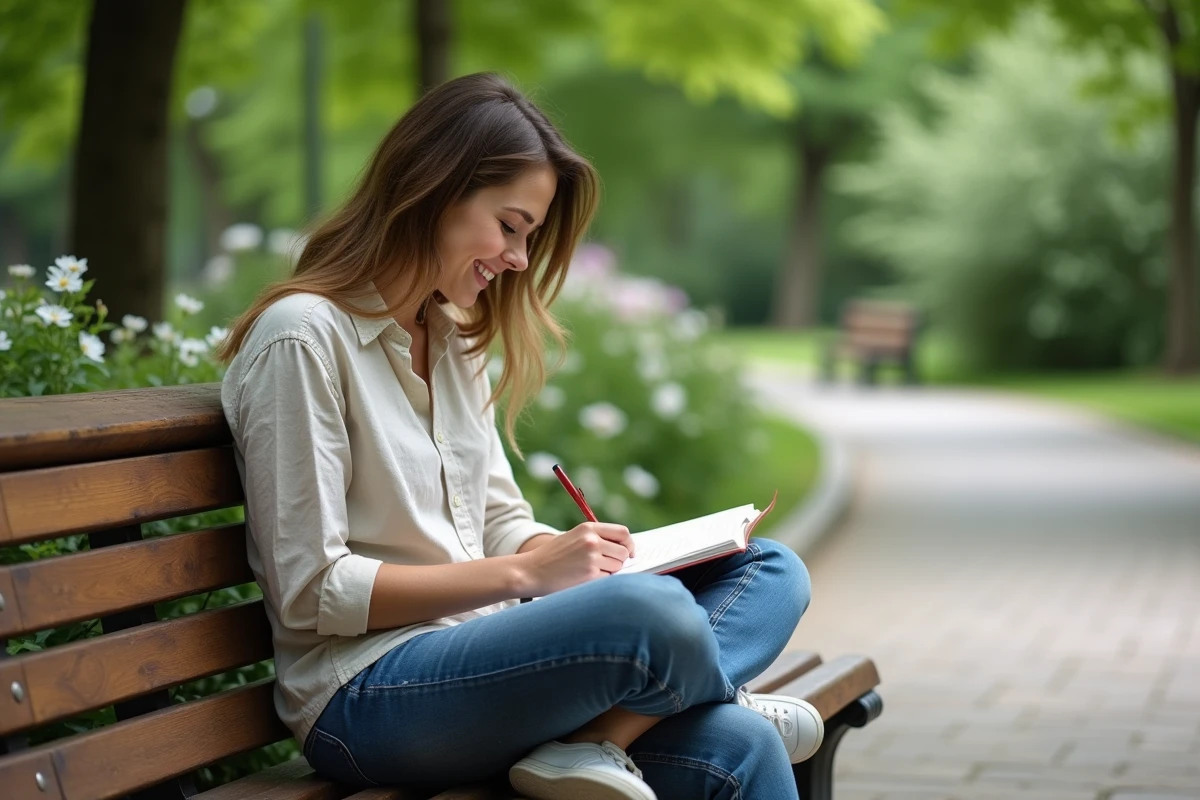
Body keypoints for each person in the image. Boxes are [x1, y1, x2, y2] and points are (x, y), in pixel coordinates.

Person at [217, 72, 821, 800]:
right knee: (654, 615)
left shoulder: (449, 339)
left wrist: (577, 558)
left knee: (770, 581)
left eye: (527, 237)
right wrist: (530, 576)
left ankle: (604, 738)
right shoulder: (304, 340)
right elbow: (313, 592)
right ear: (434, 190)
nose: (518, 260)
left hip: (490, 667)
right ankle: (707, 685)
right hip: (366, 695)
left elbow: (497, 520)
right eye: (509, 227)